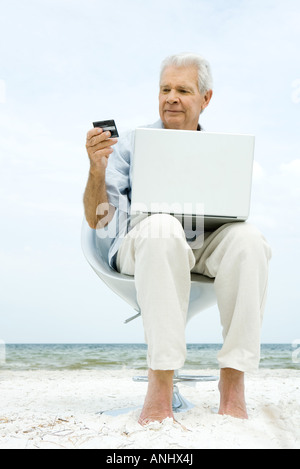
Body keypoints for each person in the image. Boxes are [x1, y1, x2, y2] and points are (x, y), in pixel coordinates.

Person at [83, 53, 272, 424]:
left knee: (250, 240)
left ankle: (233, 382)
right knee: (163, 229)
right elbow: (96, 218)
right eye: (165, 89)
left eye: (183, 90)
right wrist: (96, 169)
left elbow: (233, 211)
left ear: (206, 99)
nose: (171, 97)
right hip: (144, 243)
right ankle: (160, 382)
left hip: (203, 242)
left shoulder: (221, 151)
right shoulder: (132, 143)